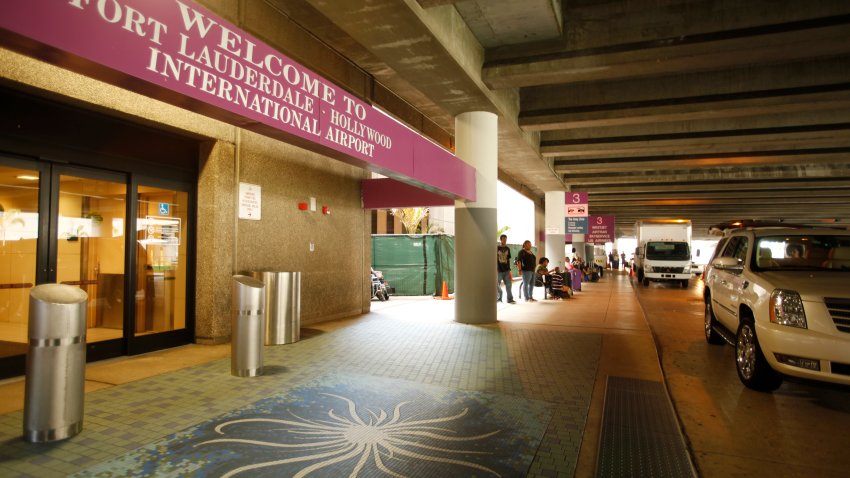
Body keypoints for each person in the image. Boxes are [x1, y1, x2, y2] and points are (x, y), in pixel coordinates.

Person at [496, 234, 515, 304]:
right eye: (503, 239)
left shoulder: (508, 249)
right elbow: (495, 259)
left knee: (509, 285)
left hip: (506, 270)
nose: (504, 240)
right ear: (500, 240)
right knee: (496, 284)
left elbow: (508, 259)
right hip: (499, 270)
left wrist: (509, 269)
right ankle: (498, 297)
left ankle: (510, 299)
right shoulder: (497, 248)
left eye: (505, 239)